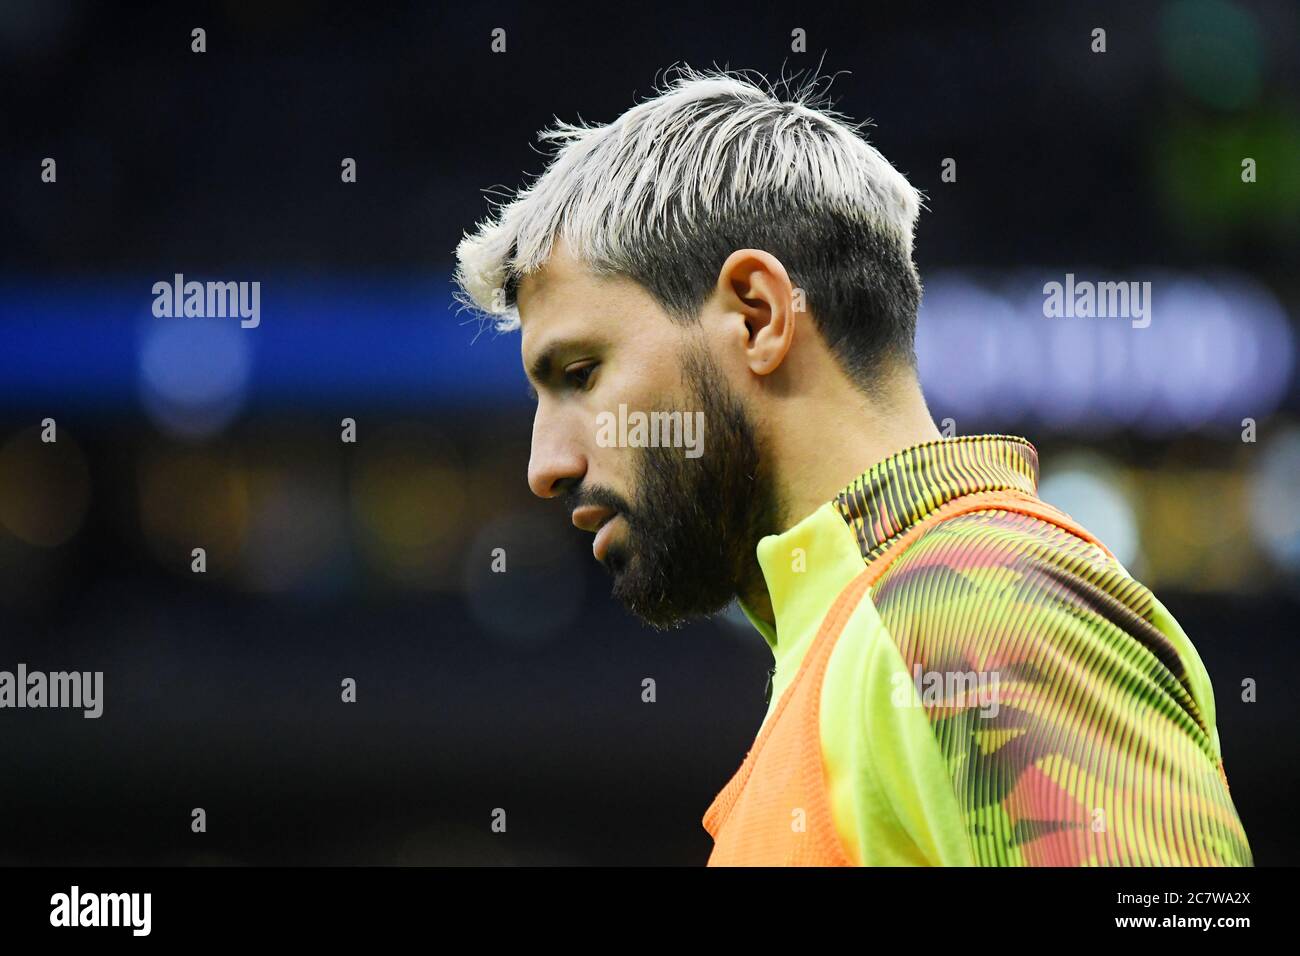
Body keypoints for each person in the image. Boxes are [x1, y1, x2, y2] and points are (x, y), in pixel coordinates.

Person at [452, 66, 1253, 866]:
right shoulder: (862, 643)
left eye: (582, 374)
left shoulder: (969, 610)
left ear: (758, 316)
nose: (544, 466)